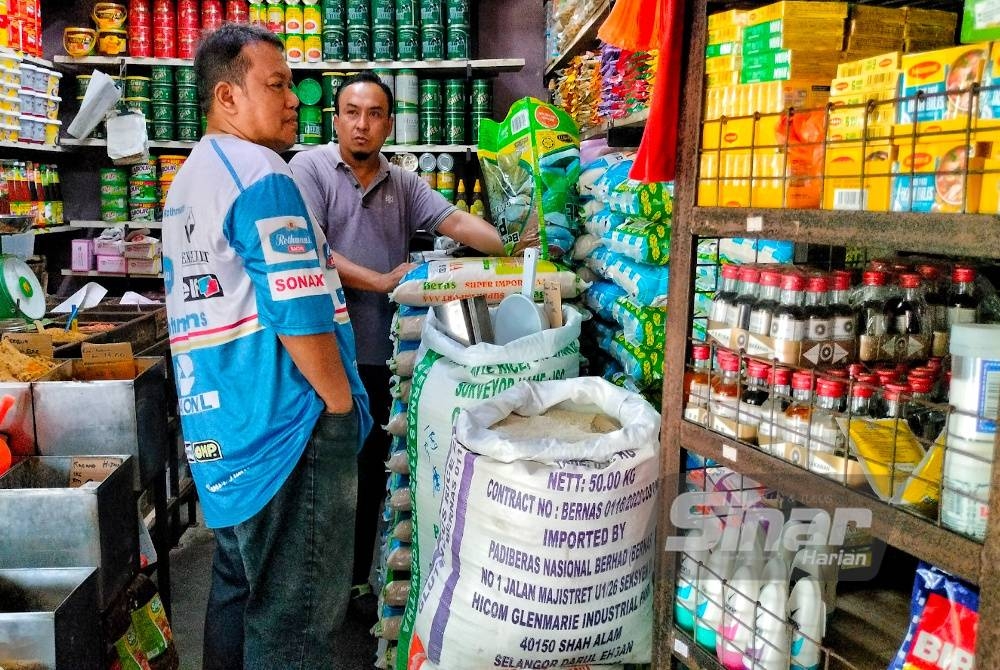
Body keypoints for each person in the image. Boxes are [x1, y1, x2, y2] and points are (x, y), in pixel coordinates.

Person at [161, 24, 372, 669]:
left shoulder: (188, 183)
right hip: (287, 429)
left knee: (238, 589)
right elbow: (299, 308)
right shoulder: (262, 174)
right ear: (228, 97)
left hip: (223, 431)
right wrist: (339, 405)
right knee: (296, 620)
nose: (294, 101)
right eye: (277, 85)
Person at [288, 71, 504, 599]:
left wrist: (510, 241)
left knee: (368, 475)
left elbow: (455, 221)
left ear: (389, 123)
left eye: (374, 114)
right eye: (352, 113)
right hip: (323, 353)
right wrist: (383, 280)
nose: (362, 125)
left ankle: (356, 584)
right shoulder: (308, 168)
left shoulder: (402, 182)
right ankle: (315, 589)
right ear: (335, 118)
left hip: (381, 355)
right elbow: (311, 253)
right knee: (322, 477)